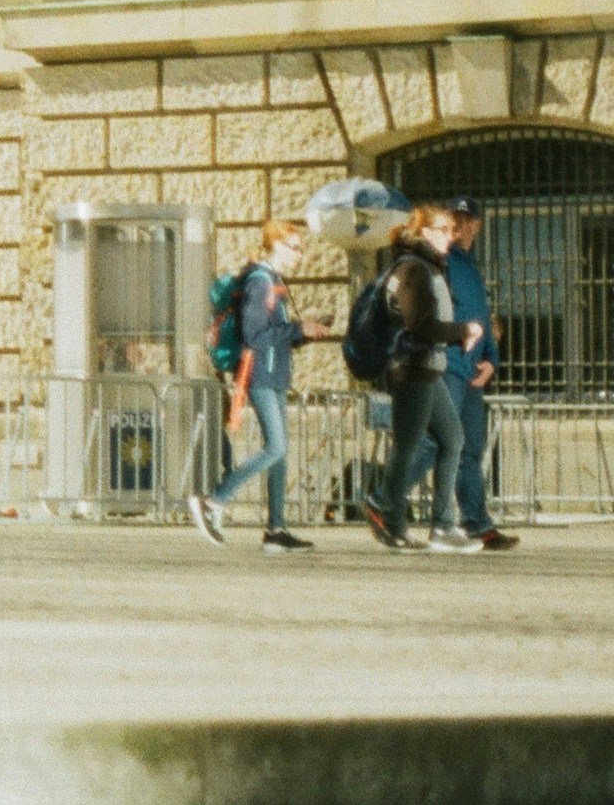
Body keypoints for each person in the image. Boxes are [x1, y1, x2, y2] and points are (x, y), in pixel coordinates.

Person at [189, 218, 332, 552]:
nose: (300, 256)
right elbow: (255, 336)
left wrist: (304, 333)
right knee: (277, 448)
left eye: (301, 249)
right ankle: (213, 501)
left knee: (279, 454)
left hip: (273, 374)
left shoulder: (273, 282)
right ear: (275, 246)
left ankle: (276, 529)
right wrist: (299, 330)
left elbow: (274, 336)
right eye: (294, 248)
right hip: (260, 375)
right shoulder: (260, 282)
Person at [361, 204, 488, 553]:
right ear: (426, 232)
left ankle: (440, 525)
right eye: (445, 229)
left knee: (451, 439)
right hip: (411, 370)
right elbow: (420, 326)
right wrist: (463, 330)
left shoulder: (430, 267)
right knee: (409, 445)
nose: (452, 235)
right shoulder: (413, 269)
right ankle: (393, 520)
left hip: (428, 369)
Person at [438, 199, 517, 553]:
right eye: (452, 219)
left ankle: (477, 522)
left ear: (476, 226)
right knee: (440, 442)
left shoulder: (469, 267)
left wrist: (491, 359)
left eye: (464, 220)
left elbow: (482, 320)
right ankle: (386, 501)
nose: (457, 226)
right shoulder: (442, 263)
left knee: (470, 446)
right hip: (450, 364)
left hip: (471, 368)